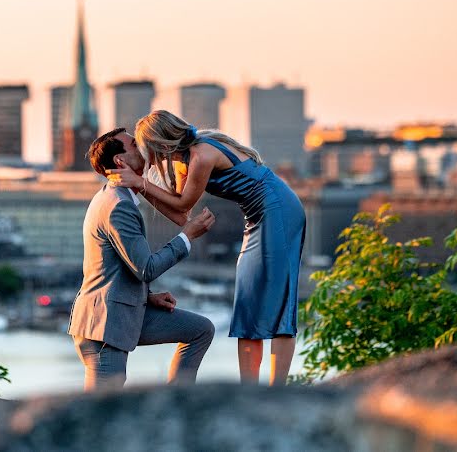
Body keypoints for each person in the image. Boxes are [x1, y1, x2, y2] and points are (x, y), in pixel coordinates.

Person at [106, 110, 306, 386]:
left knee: (278, 302)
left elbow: (181, 204)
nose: (144, 156)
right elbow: (180, 215)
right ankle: (248, 390)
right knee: (247, 302)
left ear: (160, 145)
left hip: (279, 211)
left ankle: (276, 390)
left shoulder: (202, 155)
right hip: (256, 216)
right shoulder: (181, 161)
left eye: (145, 148)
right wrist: (141, 187)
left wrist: (141, 184)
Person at [67, 128, 217, 391]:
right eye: (135, 145)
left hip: (126, 310)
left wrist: (148, 296)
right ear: (120, 162)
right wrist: (187, 236)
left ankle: (178, 401)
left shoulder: (117, 197)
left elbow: (115, 265)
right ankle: (3, 411)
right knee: (100, 416)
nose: (143, 148)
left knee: (200, 330)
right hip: (104, 325)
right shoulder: (118, 205)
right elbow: (146, 267)